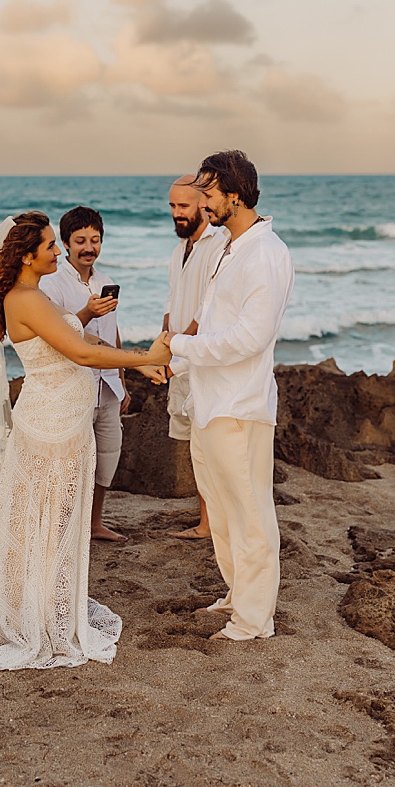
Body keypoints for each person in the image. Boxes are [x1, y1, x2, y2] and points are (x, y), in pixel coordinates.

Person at [0, 211, 170, 678]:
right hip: (53, 424)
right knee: (49, 518)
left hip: (59, 417)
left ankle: (37, 604)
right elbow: (80, 353)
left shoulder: (30, 297)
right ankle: (36, 617)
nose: (58, 252)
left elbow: (65, 336)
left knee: (44, 519)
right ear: (25, 255)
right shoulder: (27, 298)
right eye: (50, 247)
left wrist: (84, 317)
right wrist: (144, 359)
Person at [162, 151, 294, 641]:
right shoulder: (227, 247)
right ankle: (238, 594)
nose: (202, 201)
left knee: (250, 511)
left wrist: (180, 345)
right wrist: (176, 360)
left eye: (210, 192)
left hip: (240, 405)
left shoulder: (267, 253)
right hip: (207, 400)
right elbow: (212, 321)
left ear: (235, 195)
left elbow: (249, 338)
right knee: (219, 508)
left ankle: (255, 619)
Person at [39, 206, 129, 542]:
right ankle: (65, 529)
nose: (89, 247)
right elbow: (61, 333)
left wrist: (122, 378)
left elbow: (113, 333)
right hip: (74, 384)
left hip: (108, 385)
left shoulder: (105, 282)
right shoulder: (52, 284)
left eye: (95, 240)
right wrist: (88, 312)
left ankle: (94, 524)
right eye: (80, 241)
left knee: (108, 456)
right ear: (65, 243)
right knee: (72, 463)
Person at [161, 175, 226, 541]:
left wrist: (182, 346)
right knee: (191, 442)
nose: (176, 213)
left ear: (203, 204)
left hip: (200, 357)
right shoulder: (180, 249)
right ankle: (206, 521)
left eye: (182, 205)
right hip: (179, 353)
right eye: (172, 206)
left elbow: (209, 308)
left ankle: (210, 523)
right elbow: (172, 301)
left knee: (208, 442)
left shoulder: (217, 246)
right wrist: (163, 345)